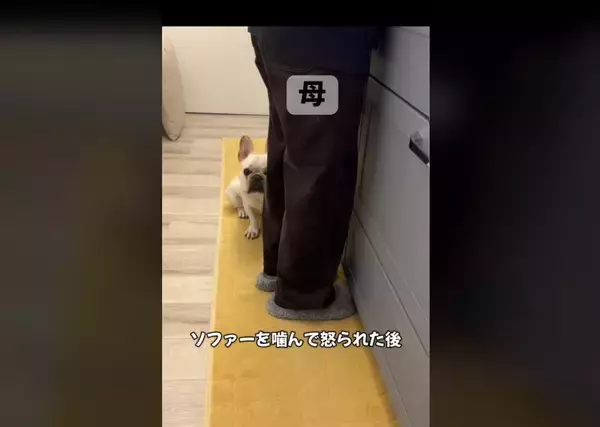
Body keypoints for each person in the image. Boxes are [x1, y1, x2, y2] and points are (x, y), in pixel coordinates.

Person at [249, 26, 384, 321]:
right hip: (320, 45)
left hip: (280, 39)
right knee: (316, 162)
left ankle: (278, 270)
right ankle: (302, 295)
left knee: (291, 147)